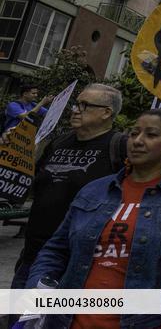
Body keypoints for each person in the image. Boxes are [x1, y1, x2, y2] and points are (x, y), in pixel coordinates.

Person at [28, 108, 161, 328]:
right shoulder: (95, 190)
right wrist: (38, 289)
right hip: (69, 320)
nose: (137, 141)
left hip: (145, 321)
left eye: (151, 134)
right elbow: (56, 249)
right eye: (134, 133)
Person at [10, 84, 128, 292]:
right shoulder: (59, 142)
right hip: (34, 253)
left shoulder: (121, 147)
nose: (75, 110)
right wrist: (16, 150)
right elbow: (30, 183)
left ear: (106, 112)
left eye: (84, 105)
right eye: (75, 104)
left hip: (80, 261)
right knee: (18, 312)